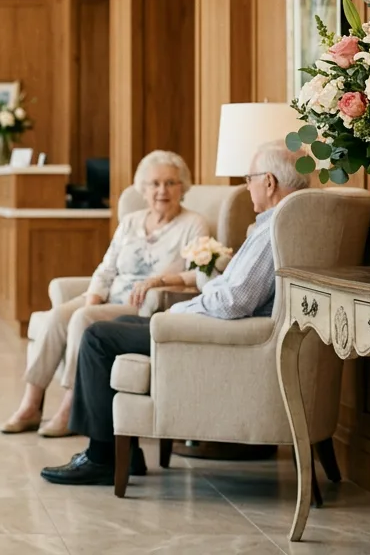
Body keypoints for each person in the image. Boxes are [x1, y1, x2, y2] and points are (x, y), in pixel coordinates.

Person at [39, 141, 309, 485]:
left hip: (203, 330)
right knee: (119, 323)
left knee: (97, 336)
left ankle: (101, 456)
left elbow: (233, 301)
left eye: (250, 178)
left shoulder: (274, 229)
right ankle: (127, 453)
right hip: (200, 324)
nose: (246, 186)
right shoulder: (281, 223)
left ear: (269, 183)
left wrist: (192, 301)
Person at [0, 150, 209, 437]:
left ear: (182, 187)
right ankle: (31, 405)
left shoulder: (193, 224)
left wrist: (159, 279)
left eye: (171, 183)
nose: (162, 190)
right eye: (155, 184)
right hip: (108, 297)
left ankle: (71, 409)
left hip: (141, 307)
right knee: (56, 317)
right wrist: (93, 298)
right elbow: (107, 267)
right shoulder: (131, 221)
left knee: (82, 319)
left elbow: (200, 273)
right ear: (143, 189)